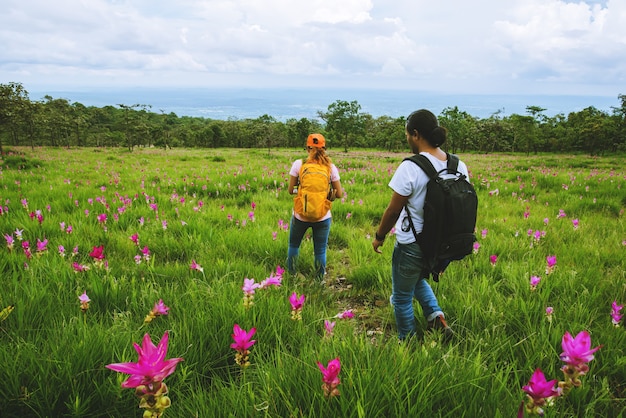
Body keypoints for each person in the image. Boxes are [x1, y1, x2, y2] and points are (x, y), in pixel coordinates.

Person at [372, 109, 469, 341]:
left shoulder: (411, 167)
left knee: (402, 297)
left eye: (407, 135)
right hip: (443, 245)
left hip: (412, 244)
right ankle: (437, 318)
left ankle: (407, 344)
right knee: (417, 279)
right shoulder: (459, 165)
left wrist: (379, 235)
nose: (407, 139)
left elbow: (393, 210)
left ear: (416, 134)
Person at [287, 133, 343, 280]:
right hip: (323, 216)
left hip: (300, 214)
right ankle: (319, 281)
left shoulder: (299, 164)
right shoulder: (330, 167)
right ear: (324, 148)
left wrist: (300, 191)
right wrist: (327, 195)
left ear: (307, 147)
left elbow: (290, 190)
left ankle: (291, 275)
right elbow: (340, 194)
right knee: (320, 251)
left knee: (294, 245)